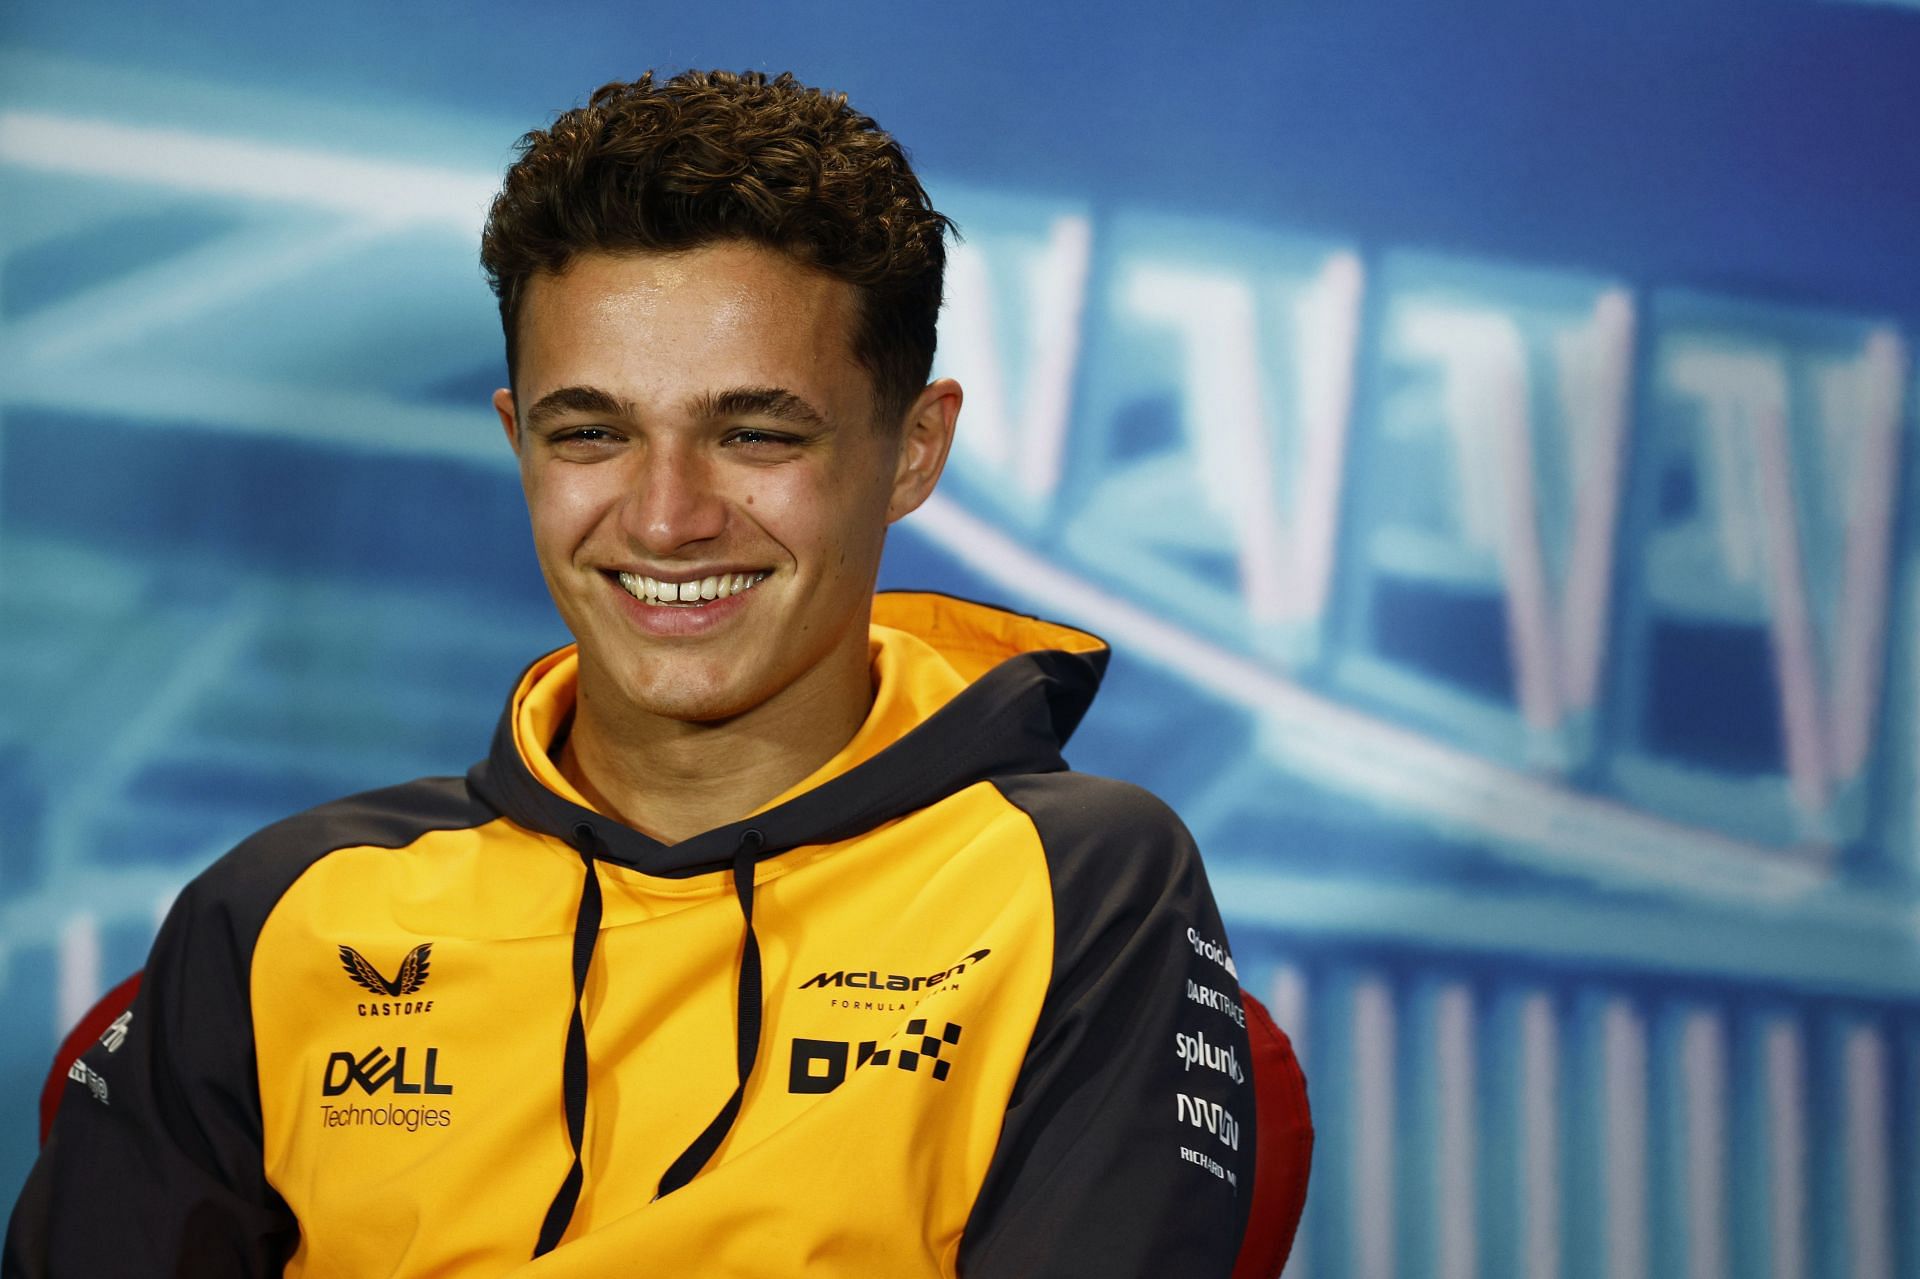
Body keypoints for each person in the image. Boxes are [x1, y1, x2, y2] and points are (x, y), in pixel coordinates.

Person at [6, 69, 1258, 1276]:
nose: (665, 519)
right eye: (593, 432)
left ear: (915, 450)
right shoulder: (282, 905)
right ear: (518, 443)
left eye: (756, 432)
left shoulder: (1081, 882)